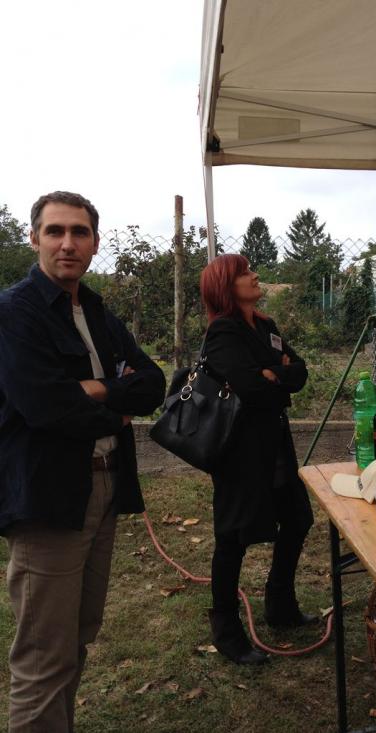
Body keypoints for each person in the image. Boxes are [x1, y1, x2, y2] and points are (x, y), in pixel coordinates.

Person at [0, 191, 166, 732]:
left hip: (106, 485)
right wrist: (116, 402)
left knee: (78, 635)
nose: (67, 243)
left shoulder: (95, 311)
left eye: (79, 232)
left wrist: (94, 390)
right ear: (34, 239)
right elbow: (46, 406)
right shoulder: (14, 312)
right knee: (44, 655)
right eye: (55, 231)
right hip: (49, 499)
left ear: (95, 243)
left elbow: (153, 383)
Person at [199, 254, 315, 665]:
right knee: (233, 537)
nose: (255, 275)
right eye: (245, 273)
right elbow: (248, 388)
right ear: (226, 286)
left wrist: (274, 375)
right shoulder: (223, 332)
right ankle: (226, 630)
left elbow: (300, 372)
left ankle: (280, 606)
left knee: (298, 519)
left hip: (276, 444)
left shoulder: (266, 326)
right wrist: (272, 375)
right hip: (240, 451)